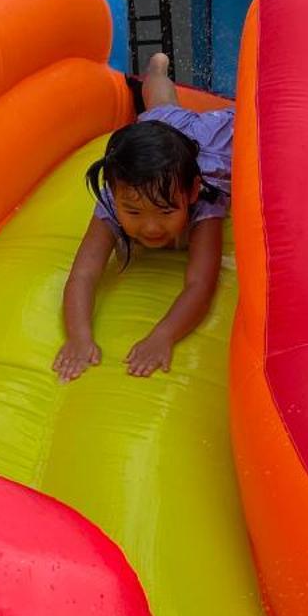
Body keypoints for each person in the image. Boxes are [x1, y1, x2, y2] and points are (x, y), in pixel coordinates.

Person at [54, 53, 229, 381]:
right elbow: (84, 275)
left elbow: (199, 284)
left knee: (247, 122)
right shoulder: (116, 198)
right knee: (161, 105)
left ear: (189, 195)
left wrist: (163, 335)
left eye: (165, 211)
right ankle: (157, 68)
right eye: (133, 212)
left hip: (216, 139)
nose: (150, 227)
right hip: (167, 135)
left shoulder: (204, 200)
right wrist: (78, 336)